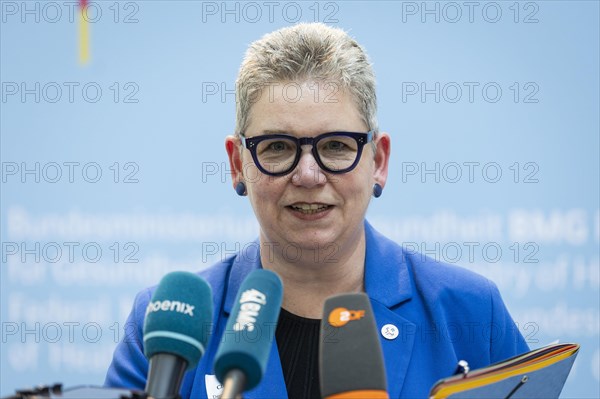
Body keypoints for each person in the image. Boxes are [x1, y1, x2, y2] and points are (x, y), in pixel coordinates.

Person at [105, 23, 529, 398]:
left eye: (335, 146)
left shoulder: (469, 311)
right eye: (277, 148)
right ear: (238, 164)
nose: (308, 175)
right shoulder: (169, 331)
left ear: (378, 162)